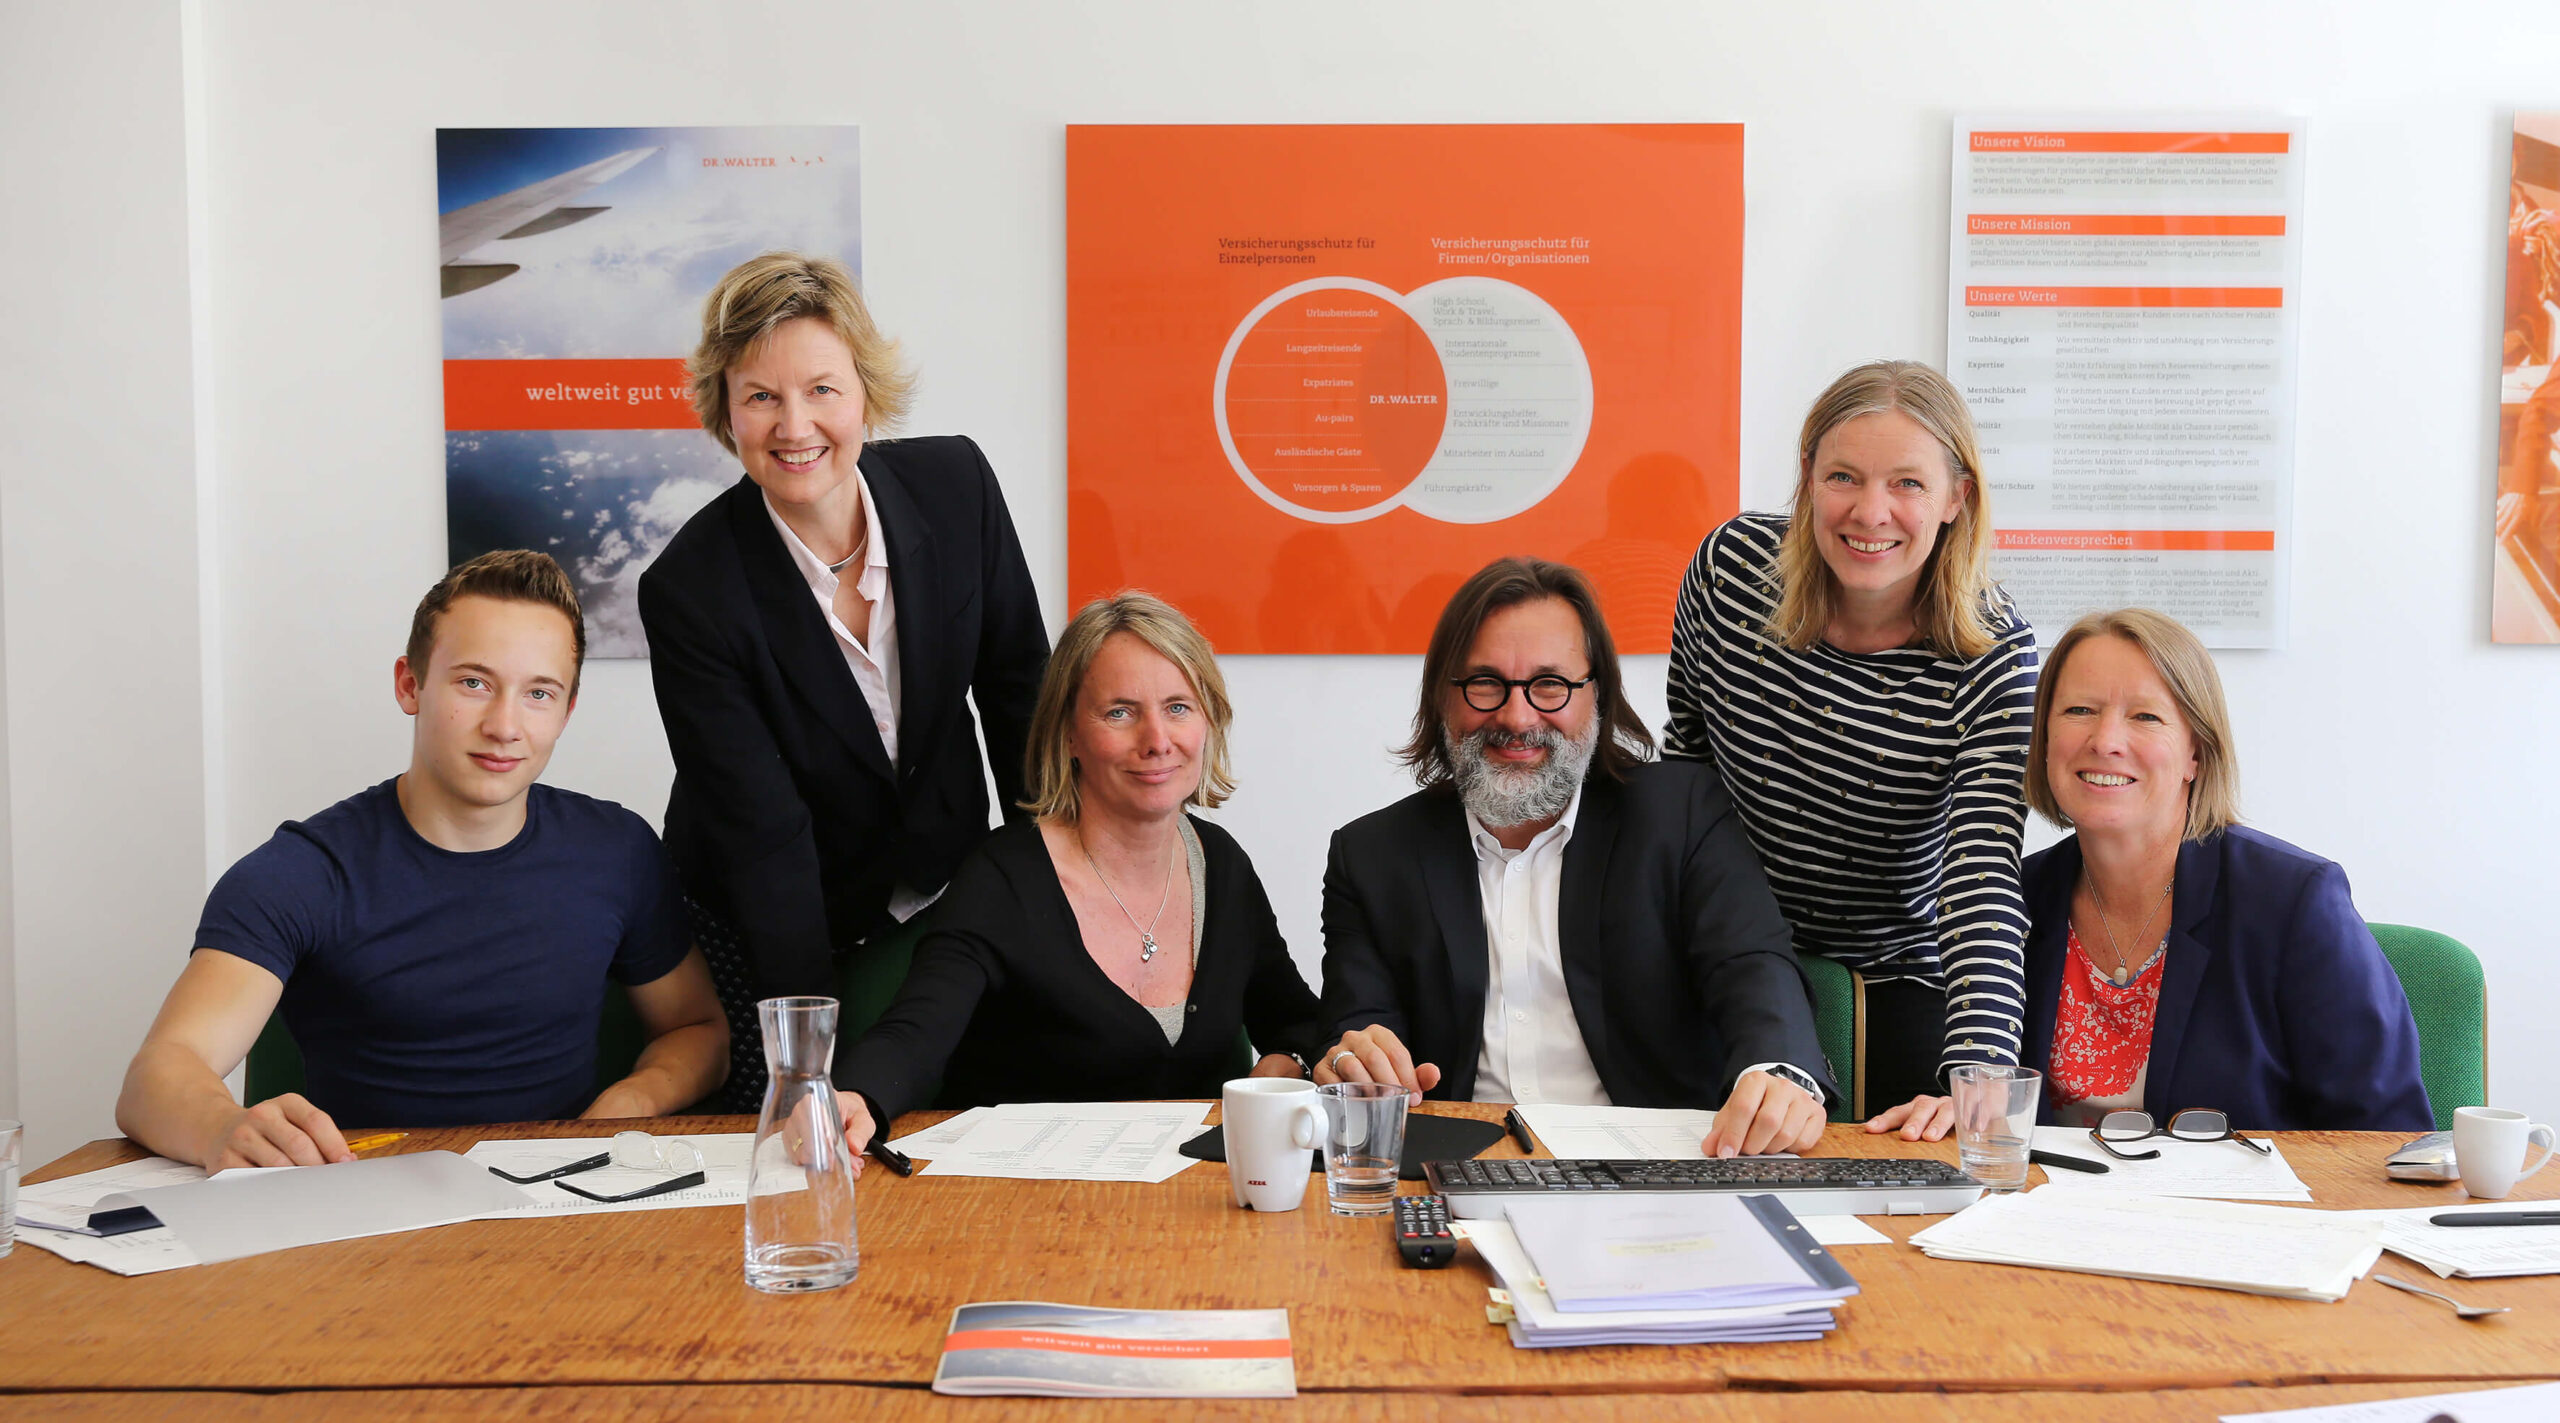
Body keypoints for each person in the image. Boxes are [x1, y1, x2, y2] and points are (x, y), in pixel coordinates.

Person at [114, 552, 728, 1171]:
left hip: (562, 1191)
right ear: (411, 686)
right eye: (474, 683)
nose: (505, 726)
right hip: (363, 1198)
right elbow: (158, 1076)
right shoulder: (300, 874)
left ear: (566, 711)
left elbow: (697, 1031)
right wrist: (222, 1127)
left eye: (539, 693)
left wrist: (630, 1103)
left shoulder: (618, 851)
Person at [640, 251, 1048, 1106]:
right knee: (806, 1137)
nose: (795, 426)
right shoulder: (691, 591)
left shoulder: (957, 486)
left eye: (821, 388)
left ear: (865, 389)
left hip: (941, 882)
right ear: (726, 410)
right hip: (768, 919)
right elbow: (765, 841)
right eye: (761, 396)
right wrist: (808, 1073)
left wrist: (1049, 908)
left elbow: (1020, 697)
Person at [1316, 558, 1834, 1158]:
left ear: (1598, 696)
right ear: (1442, 697)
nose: (1516, 717)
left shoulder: (1683, 814)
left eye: (1549, 684)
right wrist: (1355, 1059)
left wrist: (1777, 1071)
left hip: (1656, 1166)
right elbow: (1357, 1030)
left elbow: (1752, 966)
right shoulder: (1371, 856)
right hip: (1459, 1170)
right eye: (1484, 683)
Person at [1867, 609, 2431, 1139]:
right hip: (2053, 1209)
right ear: (2043, 741)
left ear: (2196, 753)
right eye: (2079, 710)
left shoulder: (2293, 900)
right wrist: (1954, 1111)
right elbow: (1997, 1112)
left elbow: (2388, 1136)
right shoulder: (2013, 902)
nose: (2105, 741)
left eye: (2145, 717)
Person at [1663, 360, 2038, 1121]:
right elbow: (1684, 770)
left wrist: (1980, 1074)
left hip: (1893, 974)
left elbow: (1982, 876)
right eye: (1843, 476)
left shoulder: (1993, 654)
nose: (1871, 512)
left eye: (1907, 483)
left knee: (1912, 1157)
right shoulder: (1730, 571)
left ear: (1957, 499)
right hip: (1723, 948)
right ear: (1807, 476)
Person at [834, 592, 1323, 1152]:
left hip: (1197, 1196)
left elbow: (1298, 1022)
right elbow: (918, 1031)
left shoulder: (1222, 865)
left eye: (1178, 707)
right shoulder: (1003, 877)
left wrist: (1286, 1064)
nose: (1157, 741)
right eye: (1120, 712)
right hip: (1027, 1193)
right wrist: (859, 1098)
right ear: (1067, 733)